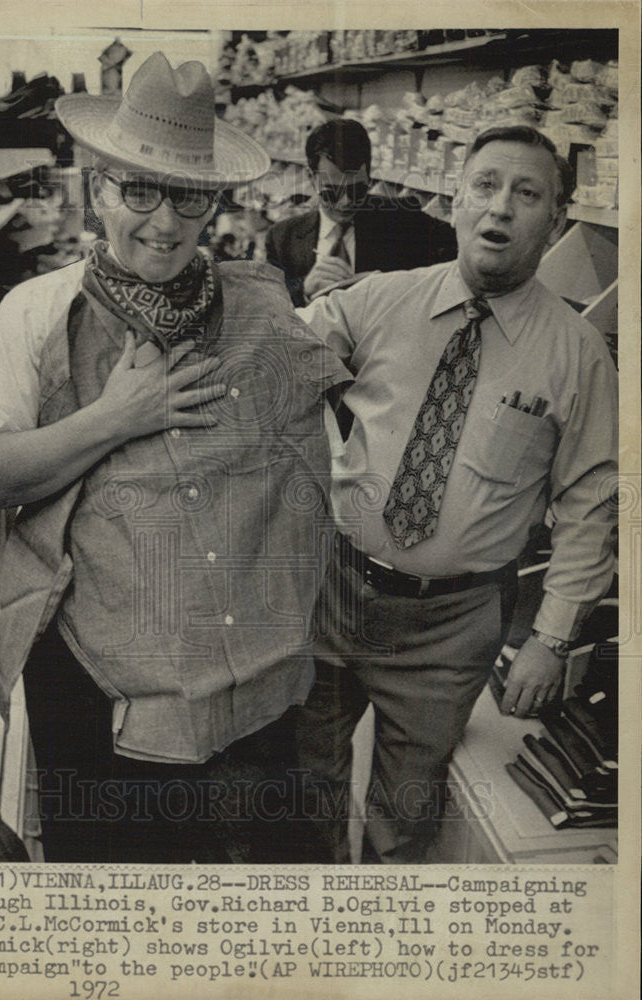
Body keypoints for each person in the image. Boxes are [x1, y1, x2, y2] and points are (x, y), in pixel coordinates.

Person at [0, 52, 351, 864]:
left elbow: (316, 481)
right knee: (115, 888)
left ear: (214, 203)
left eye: (187, 195)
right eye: (137, 189)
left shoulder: (265, 309)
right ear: (97, 187)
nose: (163, 222)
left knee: (256, 906)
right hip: (99, 689)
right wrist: (114, 417)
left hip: (251, 690)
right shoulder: (37, 312)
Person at [293, 125, 618, 863]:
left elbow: (592, 505)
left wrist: (552, 637)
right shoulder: (377, 301)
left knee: (403, 821)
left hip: (452, 626)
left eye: (526, 193)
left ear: (557, 218)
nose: (500, 208)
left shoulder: (578, 355)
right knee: (299, 791)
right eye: (485, 186)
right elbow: (270, 353)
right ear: (457, 203)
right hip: (332, 591)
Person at [265, 118, 457, 306]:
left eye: (357, 190)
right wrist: (303, 290)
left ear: (369, 175)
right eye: (332, 192)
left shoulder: (403, 219)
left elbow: (460, 252)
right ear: (310, 177)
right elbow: (269, 307)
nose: (345, 202)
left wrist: (392, 284)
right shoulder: (282, 238)